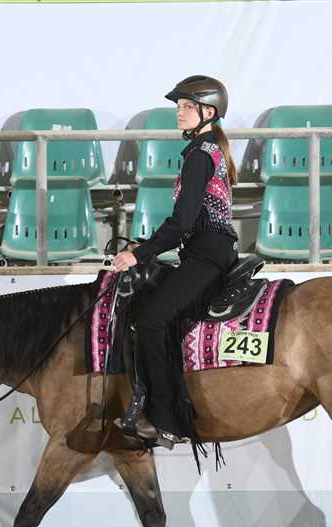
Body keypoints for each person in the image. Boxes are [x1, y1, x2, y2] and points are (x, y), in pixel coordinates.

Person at [111, 75, 239, 448]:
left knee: (151, 320)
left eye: (186, 107)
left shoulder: (200, 154)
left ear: (208, 112)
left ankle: (166, 421)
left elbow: (182, 222)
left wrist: (137, 254)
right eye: (178, 107)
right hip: (205, 249)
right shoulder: (205, 149)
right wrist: (147, 247)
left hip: (206, 252)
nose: (179, 113)